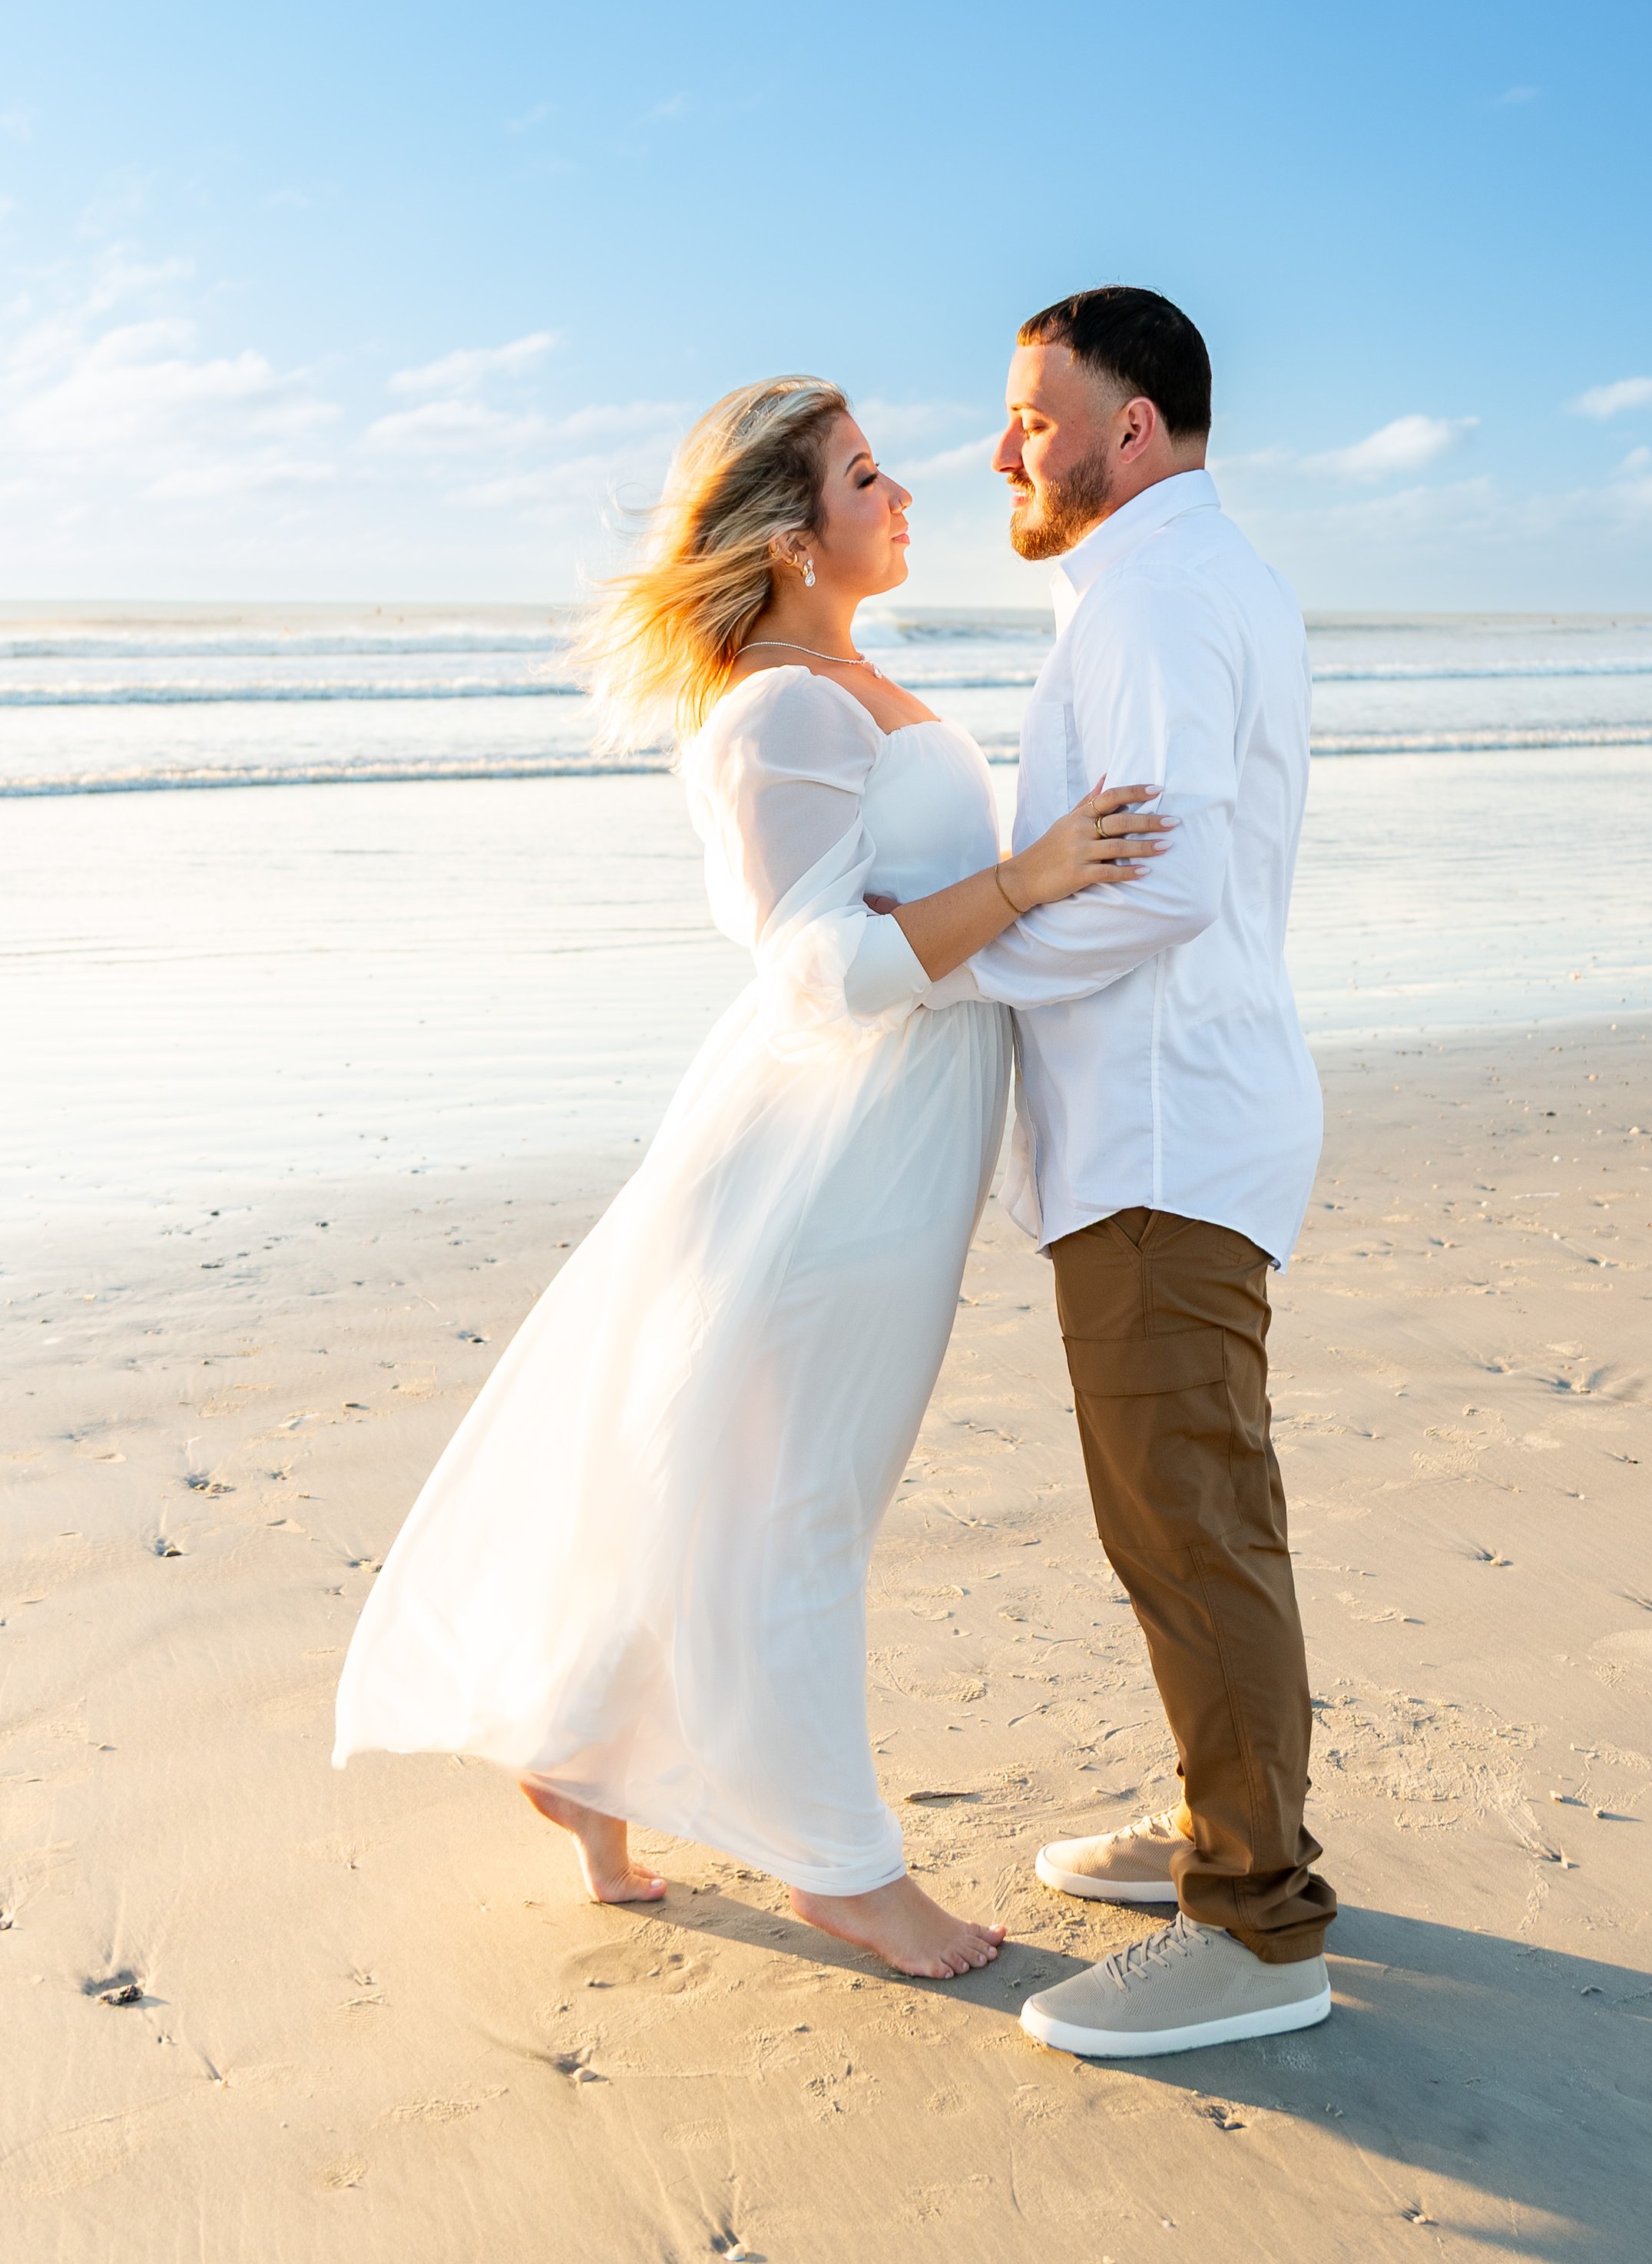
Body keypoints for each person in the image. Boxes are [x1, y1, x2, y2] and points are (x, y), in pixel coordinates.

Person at [332, 377, 1168, 1981]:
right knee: (800, 1497)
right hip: (833, 1148)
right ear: (791, 542)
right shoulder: (776, 709)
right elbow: (817, 973)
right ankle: (839, 1868)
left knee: (743, 1470)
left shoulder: (853, 680)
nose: (906, 490)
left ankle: (579, 1747)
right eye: (867, 474)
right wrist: (1032, 872)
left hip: (890, 1134)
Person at [919, 286, 1336, 2058]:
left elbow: (1159, 881)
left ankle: (1252, 1926)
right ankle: (1218, 1826)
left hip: (1167, 1131)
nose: (1005, 446)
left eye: (1034, 413)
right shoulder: (1170, 580)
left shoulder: (1159, 591)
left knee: (1190, 1524)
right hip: (1168, 1119)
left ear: (1131, 429)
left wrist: (954, 958)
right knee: (1181, 1515)